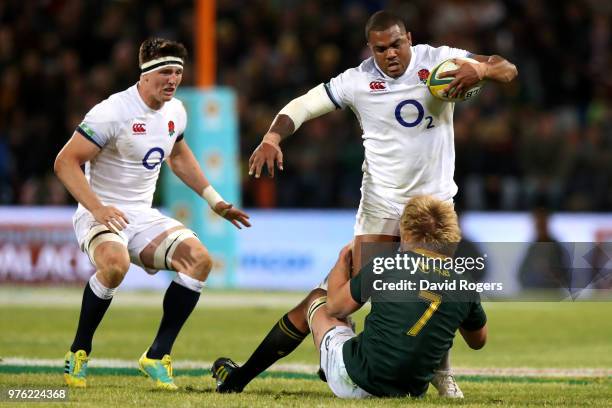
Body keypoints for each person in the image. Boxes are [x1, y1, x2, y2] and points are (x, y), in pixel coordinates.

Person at [213, 10, 515, 397]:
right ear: (370, 48)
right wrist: (273, 136)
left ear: (410, 37)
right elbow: (303, 105)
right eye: (380, 48)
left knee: (430, 294)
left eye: (396, 44)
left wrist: (482, 72)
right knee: (341, 299)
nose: (390, 54)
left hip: (432, 207)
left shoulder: (440, 59)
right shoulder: (357, 81)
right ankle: (297, 364)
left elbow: (507, 68)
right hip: (381, 205)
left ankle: (441, 372)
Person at [54, 38, 250, 390]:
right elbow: (65, 162)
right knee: (115, 265)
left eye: (177, 72)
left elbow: (177, 155)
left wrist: (214, 200)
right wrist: (97, 208)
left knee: (200, 260)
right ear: (144, 75)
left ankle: (157, 355)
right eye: (165, 72)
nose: (173, 79)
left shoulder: (176, 111)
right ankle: (79, 351)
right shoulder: (112, 112)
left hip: (141, 216)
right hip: (99, 210)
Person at [216, 196, 487, 398]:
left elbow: (335, 307)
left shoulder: (388, 265)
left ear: (406, 232)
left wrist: (341, 260)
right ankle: (334, 356)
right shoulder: (464, 282)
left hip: (358, 381)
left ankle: (237, 380)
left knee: (316, 301)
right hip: (411, 392)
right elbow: (478, 342)